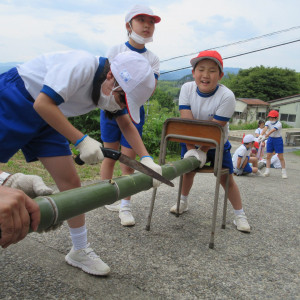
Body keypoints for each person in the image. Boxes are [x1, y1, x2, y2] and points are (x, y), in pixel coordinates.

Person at [0, 50, 161, 275]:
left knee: (71, 183)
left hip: (50, 115)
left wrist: (147, 159)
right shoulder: (80, 66)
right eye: (123, 98)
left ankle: (79, 249)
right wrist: (81, 140)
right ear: (110, 78)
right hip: (15, 99)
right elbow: (42, 103)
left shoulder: (114, 90)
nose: (122, 105)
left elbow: (125, 124)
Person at [169, 50, 251, 233]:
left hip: (217, 141)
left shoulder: (227, 96)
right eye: (201, 69)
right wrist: (192, 150)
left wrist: (203, 150)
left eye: (212, 70)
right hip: (190, 137)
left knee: (225, 177)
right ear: (193, 72)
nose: (205, 75)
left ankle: (240, 215)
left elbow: (216, 129)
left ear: (220, 75)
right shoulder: (187, 89)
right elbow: (186, 123)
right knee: (187, 171)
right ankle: (182, 202)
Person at [101, 5, 161, 226]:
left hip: (134, 109)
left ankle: (125, 206)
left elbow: (149, 90)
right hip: (109, 107)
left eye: (151, 22)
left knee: (127, 160)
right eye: (141, 20)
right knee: (109, 154)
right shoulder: (116, 49)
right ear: (128, 25)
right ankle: (106, 196)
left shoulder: (152, 58)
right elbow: (105, 82)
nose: (147, 25)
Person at [258, 110, 287, 178]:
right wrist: (261, 135)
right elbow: (265, 128)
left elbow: (272, 130)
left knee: (280, 156)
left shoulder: (279, 124)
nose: (271, 119)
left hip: (278, 139)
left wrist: (265, 136)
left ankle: (283, 172)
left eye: (272, 118)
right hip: (270, 139)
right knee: (268, 156)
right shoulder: (268, 122)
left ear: (276, 118)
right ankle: (267, 171)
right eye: (270, 117)